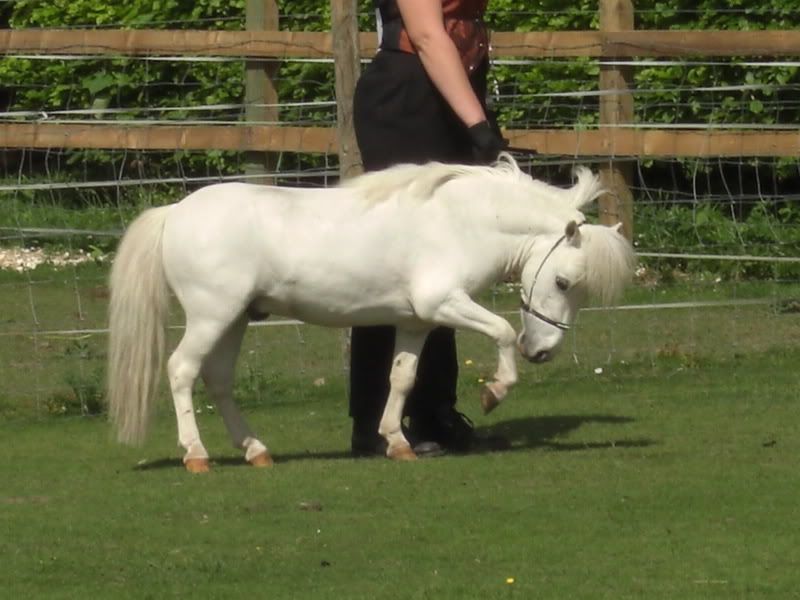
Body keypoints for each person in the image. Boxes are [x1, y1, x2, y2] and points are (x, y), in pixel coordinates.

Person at [348, 0, 507, 457]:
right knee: (394, 263)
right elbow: (426, 35)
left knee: (445, 264)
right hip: (408, 97)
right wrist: (477, 125)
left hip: (452, 90)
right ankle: (374, 421)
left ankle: (434, 410)